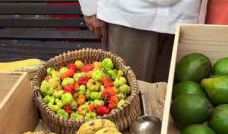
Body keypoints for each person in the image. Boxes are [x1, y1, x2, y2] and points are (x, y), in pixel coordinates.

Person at [78, 0, 208, 82]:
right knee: (126, 95)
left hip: (185, 13)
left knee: (172, 102)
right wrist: (90, 7)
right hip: (128, 14)